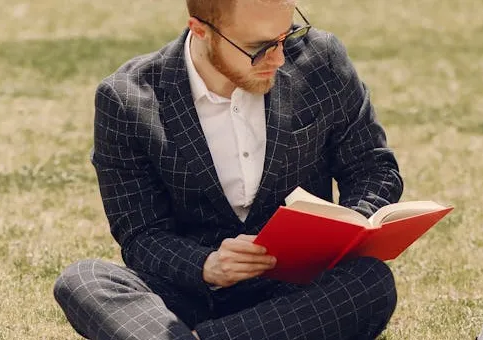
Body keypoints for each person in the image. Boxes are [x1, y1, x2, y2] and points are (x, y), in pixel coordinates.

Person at [53, 0, 403, 339]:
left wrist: (351, 225)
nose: (278, 58)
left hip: (295, 294)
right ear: (201, 30)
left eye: (285, 37)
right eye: (260, 47)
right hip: (185, 297)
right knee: (84, 280)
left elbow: (372, 167)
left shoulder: (321, 60)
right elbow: (141, 235)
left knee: (370, 282)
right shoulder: (126, 98)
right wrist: (207, 264)